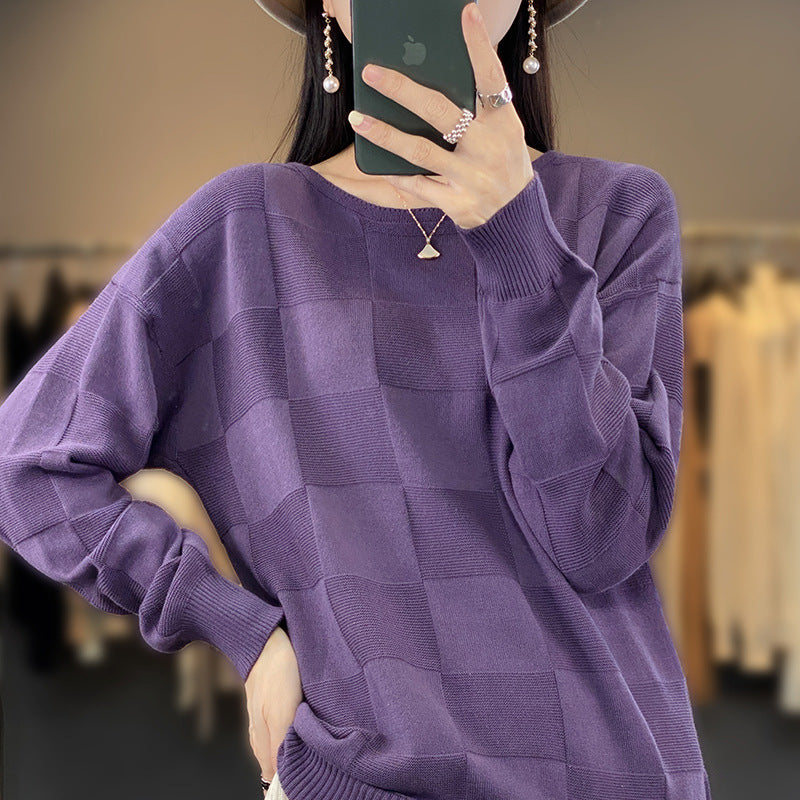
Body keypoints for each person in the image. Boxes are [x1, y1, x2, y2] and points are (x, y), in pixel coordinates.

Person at [0, 2, 713, 800]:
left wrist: (518, 236)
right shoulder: (244, 229)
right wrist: (246, 633)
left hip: (616, 774)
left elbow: (599, 538)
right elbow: (29, 468)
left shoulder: (618, 213)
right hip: (364, 778)